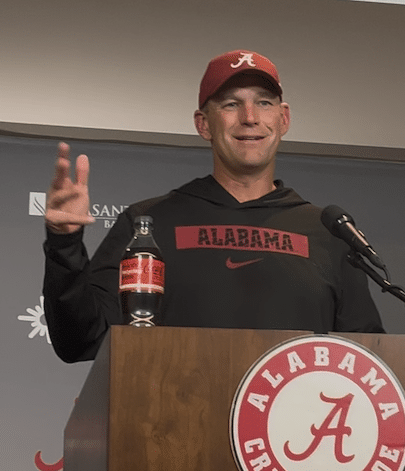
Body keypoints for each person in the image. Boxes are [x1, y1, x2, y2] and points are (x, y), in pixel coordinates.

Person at [43, 50, 384, 363]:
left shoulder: (328, 233)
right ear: (203, 124)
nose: (250, 118)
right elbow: (81, 340)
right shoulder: (148, 225)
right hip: (173, 412)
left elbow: (366, 360)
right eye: (231, 104)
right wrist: (65, 243)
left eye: (264, 103)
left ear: (283, 119)